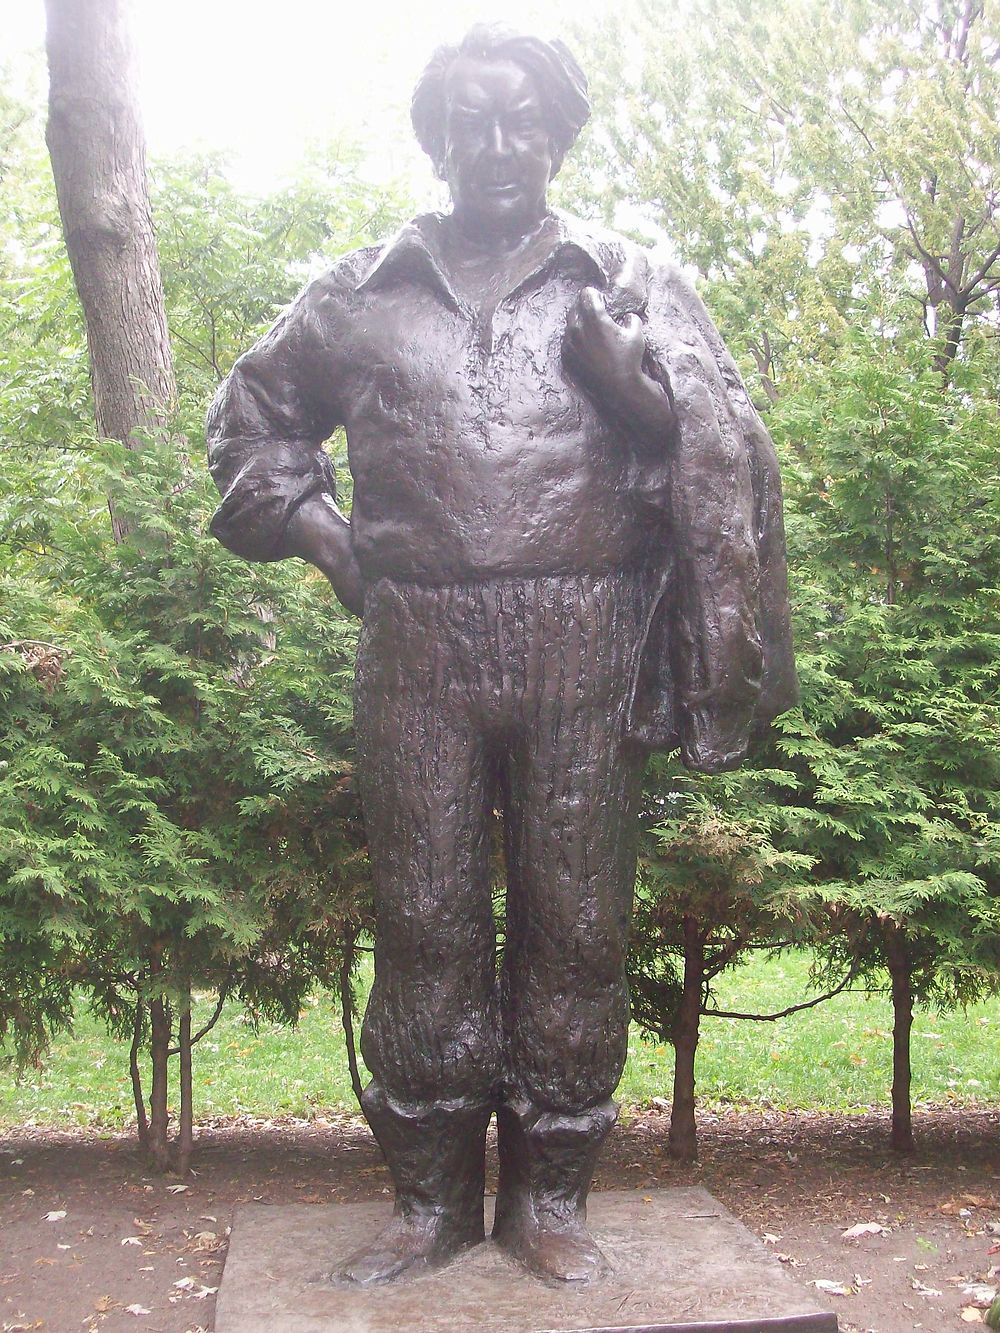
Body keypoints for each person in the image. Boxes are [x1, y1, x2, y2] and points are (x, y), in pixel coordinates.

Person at [206, 23, 796, 1287]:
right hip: (416, 638)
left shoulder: (624, 281)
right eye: (467, 120)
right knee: (421, 915)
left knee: (575, 919)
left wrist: (636, 396)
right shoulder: (358, 293)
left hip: (578, 631)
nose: (495, 144)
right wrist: (327, 538)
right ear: (433, 137)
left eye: (520, 117)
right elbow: (250, 422)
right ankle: (426, 1199)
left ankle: (553, 1193)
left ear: (558, 131)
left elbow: (731, 445)